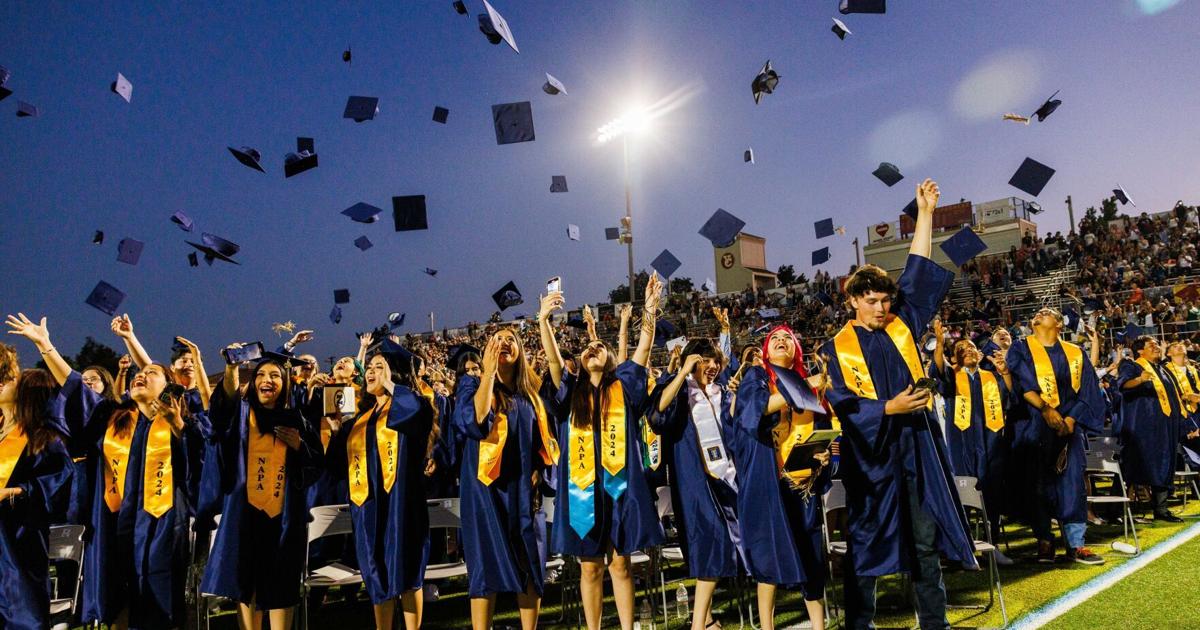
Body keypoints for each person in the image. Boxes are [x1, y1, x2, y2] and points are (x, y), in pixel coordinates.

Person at [818, 179, 977, 630]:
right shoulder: (836, 348)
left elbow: (918, 269)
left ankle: (934, 621)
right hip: (871, 457)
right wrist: (889, 408)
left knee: (925, 541)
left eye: (886, 300)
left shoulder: (901, 324)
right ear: (852, 301)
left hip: (917, 447)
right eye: (871, 301)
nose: (881, 308)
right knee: (865, 542)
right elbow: (842, 403)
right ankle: (859, 623)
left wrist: (924, 214)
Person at [540, 274, 664, 630]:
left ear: (610, 358)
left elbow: (642, 349)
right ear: (578, 362)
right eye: (586, 349)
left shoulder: (623, 387)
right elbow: (551, 362)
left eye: (599, 348)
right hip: (583, 490)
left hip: (618, 487)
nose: (592, 350)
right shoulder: (569, 393)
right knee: (590, 567)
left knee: (620, 564)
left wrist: (650, 308)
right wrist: (544, 321)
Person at [201, 347, 323, 630]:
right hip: (244, 515)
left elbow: (317, 463)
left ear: (285, 384)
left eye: (276, 376)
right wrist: (232, 368)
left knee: (281, 583)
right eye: (261, 375)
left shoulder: (296, 419)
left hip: (283, 517)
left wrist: (299, 446)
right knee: (247, 583)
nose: (268, 380)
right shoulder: (240, 414)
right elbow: (221, 409)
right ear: (253, 382)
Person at [454, 327, 557, 630]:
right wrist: (487, 373)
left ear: (520, 350)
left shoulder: (532, 392)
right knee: (485, 569)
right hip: (485, 493)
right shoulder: (471, 385)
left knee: (530, 563)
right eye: (497, 340)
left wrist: (540, 469)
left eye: (510, 339)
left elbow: (545, 440)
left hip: (525, 491)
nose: (504, 344)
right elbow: (476, 422)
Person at [326, 341, 434, 630]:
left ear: (394, 374)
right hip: (369, 509)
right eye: (370, 368)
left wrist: (391, 386)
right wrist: (337, 431)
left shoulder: (414, 405)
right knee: (376, 574)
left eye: (379, 367)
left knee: (409, 573)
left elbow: (416, 416)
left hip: (402, 505)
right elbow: (337, 468)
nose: (371, 372)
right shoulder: (359, 421)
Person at [731, 325, 832, 630]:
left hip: (803, 483)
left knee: (811, 558)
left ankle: (818, 626)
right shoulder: (758, 377)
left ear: (796, 350)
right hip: (768, 484)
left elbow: (827, 429)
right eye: (774, 338)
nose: (780, 340)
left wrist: (827, 456)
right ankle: (766, 627)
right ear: (765, 350)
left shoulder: (814, 386)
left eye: (788, 338)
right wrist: (804, 384)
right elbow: (758, 409)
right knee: (769, 556)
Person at [650, 329, 741, 630]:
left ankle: (706, 619)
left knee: (712, 546)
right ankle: (699, 624)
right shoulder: (679, 391)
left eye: (715, 360)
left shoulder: (720, 392)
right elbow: (658, 413)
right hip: (693, 482)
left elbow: (731, 431)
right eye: (705, 361)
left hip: (723, 480)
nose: (713, 366)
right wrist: (681, 372)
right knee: (711, 543)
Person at [1005, 307, 1106, 564]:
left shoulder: (1075, 353)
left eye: (1047, 312)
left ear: (1059, 324)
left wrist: (1071, 419)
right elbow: (1022, 382)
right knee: (1037, 485)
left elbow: (1087, 392)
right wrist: (1046, 409)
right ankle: (1045, 540)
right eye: (1037, 312)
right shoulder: (1020, 348)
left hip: (1068, 429)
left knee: (1072, 483)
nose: (1039, 313)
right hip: (1033, 426)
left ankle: (1076, 543)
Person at [929, 317, 1014, 565]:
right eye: (962, 350)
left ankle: (992, 546)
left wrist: (1004, 372)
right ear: (954, 357)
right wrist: (940, 342)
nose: (969, 351)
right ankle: (961, 548)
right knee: (962, 494)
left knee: (992, 495)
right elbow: (938, 371)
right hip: (962, 444)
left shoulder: (990, 377)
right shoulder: (953, 377)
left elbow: (1009, 395)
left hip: (991, 444)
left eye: (972, 348)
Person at [1117, 336, 1184, 522]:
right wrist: (1139, 379)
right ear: (1140, 350)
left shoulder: (1162, 369)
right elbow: (1123, 385)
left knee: (1165, 463)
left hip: (1165, 425)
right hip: (1143, 426)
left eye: (1156, 345)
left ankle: (1161, 509)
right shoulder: (1132, 365)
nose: (1156, 347)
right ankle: (1121, 510)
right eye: (1151, 345)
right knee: (1139, 465)